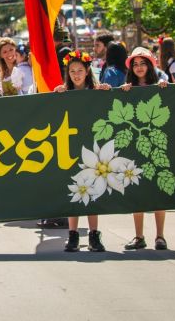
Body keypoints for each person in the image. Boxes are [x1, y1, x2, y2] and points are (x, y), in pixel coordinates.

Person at [54, 50, 110, 252]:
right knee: (74, 189)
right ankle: (73, 234)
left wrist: (106, 93)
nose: (76, 74)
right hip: (71, 146)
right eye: (72, 71)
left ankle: (94, 234)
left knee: (94, 189)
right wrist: (57, 96)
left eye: (79, 70)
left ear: (87, 71)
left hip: (93, 146)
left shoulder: (97, 91)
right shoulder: (63, 93)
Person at [120, 47, 169, 250]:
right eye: (135, 64)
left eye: (143, 63)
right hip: (135, 144)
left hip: (157, 144)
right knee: (136, 189)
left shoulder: (161, 84)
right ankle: (139, 236)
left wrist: (168, 88)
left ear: (150, 65)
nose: (139, 67)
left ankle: (160, 236)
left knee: (158, 188)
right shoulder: (126, 88)